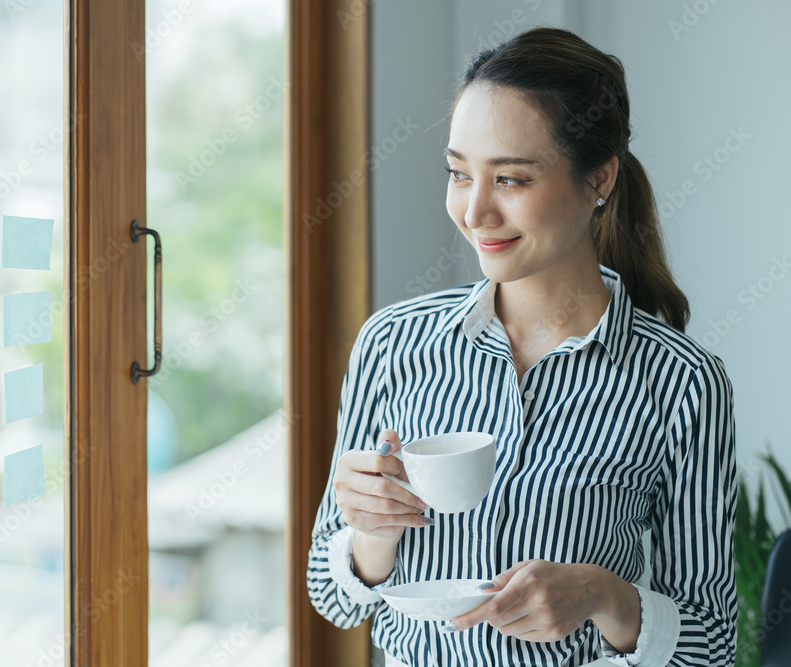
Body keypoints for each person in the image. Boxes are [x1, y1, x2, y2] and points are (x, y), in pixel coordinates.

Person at [306, 26, 737, 666]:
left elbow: (714, 647)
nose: (473, 210)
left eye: (509, 179)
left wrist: (605, 596)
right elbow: (332, 595)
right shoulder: (392, 344)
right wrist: (371, 534)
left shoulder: (681, 383)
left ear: (600, 178)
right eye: (458, 174)